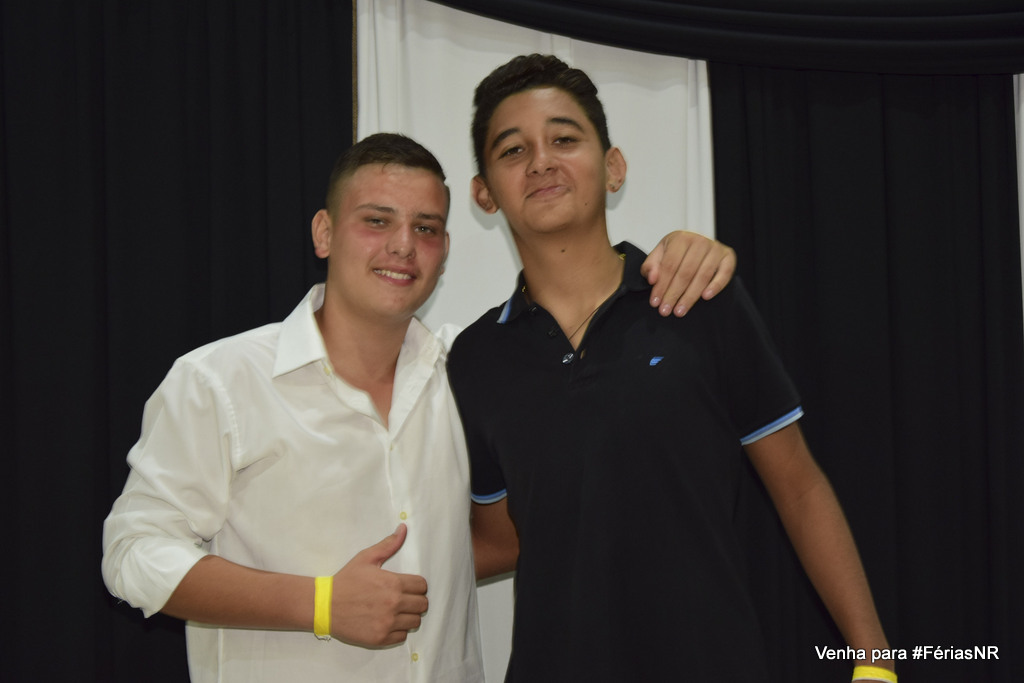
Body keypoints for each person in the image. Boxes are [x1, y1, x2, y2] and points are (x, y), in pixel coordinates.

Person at [102, 132, 735, 682]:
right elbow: (133, 553)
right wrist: (320, 605)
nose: (403, 245)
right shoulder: (218, 381)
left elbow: (542, 505)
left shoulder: (474, 370)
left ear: (446, 248)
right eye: (376, 221)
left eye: (426, 228)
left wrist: (681, 255)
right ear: (324, 232)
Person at [447, 54, 896, 683]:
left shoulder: (697, 298)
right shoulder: (475, 358)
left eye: (564, 139)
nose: (541, 161)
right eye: (513, 149)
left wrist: (875, 660)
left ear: (613, 166)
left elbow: (798, 487)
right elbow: (501, 537)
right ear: (485, 193)